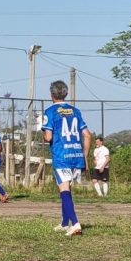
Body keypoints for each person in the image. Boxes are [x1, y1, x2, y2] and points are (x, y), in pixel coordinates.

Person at [41, 80, 91, 236]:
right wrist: (85, 156)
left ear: (51, 94)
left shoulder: (49, 112)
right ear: (66, 93)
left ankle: (75, 223)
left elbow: (48, 137)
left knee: (64, 189)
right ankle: (64, 223)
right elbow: (87, 135)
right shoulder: (75, 111)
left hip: (61, 155)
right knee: (67, 188)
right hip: (76, 154)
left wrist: (43, 131)